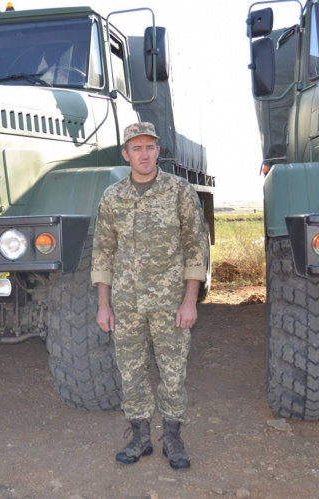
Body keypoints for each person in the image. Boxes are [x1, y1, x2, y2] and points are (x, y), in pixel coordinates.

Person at [91, 122, 209, 470]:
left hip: (170, 303)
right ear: (126, 154)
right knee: (131, 372)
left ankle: (172, 437)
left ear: (158, 151)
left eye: (150, 147)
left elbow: (195, 247)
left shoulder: (179, 192)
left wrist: (190, 300)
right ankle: (140, 436)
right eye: (137, 148)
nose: (144, 154)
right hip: (126, 304)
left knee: (173, 372)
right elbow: (102, 252)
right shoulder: (113, 196)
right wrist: (104, 304)